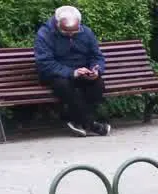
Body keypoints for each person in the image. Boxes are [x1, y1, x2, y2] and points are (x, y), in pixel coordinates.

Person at [33, 6, 110, 137]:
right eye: (66, 31)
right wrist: (72, 73)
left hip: (82, 72)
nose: (70, 34)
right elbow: (44, 63)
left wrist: (96, 69)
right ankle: (90, 124)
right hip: (56, 74)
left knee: (98, 84)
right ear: (57, 24)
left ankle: (75, 120)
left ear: (79, 24)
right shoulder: (44, 34)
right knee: (64, 86)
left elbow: (96, 56)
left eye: (74, 31)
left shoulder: (86, 32)